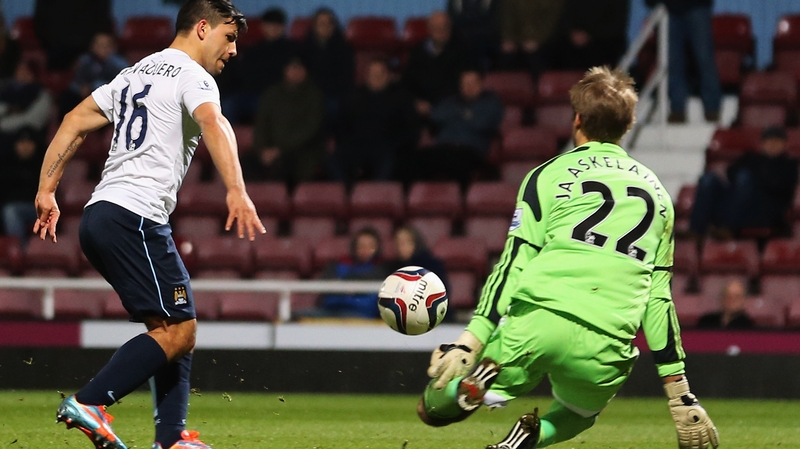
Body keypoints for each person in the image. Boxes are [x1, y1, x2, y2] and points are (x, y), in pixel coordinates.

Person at [416, 67, 719, 449]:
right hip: (608, 339)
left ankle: (472, 387)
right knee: (579, 414)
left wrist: (470, 341)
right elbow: (658, 301)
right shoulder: (659, 196)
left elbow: (514, 263)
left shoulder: (547, 175)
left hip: (541, 321)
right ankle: (529, 439)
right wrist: (680, 392)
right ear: (628, 124)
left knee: (433, 406)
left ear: (577, 119)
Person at [33, 2, 265, 449]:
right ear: (203, 28)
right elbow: (213, 123)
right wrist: (236, 190)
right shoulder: (193, 77)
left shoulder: (135, 73)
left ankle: (171, 437)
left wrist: (47, 190)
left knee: (174, 328)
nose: (233, 50)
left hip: (101, 215)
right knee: (181, 330)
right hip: (135, 217)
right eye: (229, 37)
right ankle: (91, 402)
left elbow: (73, 120)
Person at [690, 127, 798, 238]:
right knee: (708, 180)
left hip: (764, 210)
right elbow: (731, 172)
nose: (772, 145)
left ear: (785, 145)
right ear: (762, 144)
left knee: (744, 178)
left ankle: (729, 228)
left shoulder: (789, 165)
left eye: (777, 141)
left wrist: (753, 178)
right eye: (769, 141)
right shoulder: (751, 157)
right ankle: (696, 231)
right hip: (736, 204)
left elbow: (778, 186)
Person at [411, 68, 503, 189]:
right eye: (465, 83)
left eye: (472, 83)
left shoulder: (491, 102)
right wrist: (465, 115)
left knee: (457, 162)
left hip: (471, 150)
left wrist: (455, 115)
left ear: (481, 84)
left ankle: (462, 200)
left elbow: (482, 123)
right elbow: (436, 116)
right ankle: (422, 201)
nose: (468, 87)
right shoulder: (450, 101)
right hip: (443, 148)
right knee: (411, 160)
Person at [330, 58, 417, 185]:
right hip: (356, 145)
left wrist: (395, 145)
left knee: (390, 163)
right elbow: (341, 125)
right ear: (366, 76)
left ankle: (374, 197)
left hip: (387, 147)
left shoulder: (401, 97)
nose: (376, 77)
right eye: (372, 74)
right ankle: (349, 194)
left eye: (380, 74)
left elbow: (411, 130)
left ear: (388, 76)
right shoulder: (354, 96)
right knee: (333, 161)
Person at [245, 57, 324, 188]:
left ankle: (276, 203)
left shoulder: (314, 96)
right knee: (244, 163)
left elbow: (310, 130)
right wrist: (262, 149)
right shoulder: (271, 95)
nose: (294, 72)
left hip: (300, 152)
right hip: (268, 150)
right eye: (291, 68)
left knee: (285, 166)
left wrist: (280, 150)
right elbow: (261, 125)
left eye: (298, 68)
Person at [646, 0, 722, 123]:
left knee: (704, 59)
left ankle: (712, 108)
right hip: (669, 10)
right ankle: (677, 110)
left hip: (697, 7)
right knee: (673, 63)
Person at [219, 7, 297, 124]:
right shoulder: (253, 50)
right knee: (228, 104)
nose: (273, 29)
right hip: (252, 94)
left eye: (277, 25)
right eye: (269, 25)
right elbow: (244, 76)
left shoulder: (292, 50)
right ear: (263, 26)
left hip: (280, 96)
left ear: (283, 27)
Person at [312, 227, 388, 319]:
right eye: (361, 245)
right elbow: (324, 287)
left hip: (361, 315)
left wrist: (342, 285)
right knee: (296, 316)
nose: (366, 249)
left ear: (377, 247)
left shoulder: (382, 270)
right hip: (330, 312)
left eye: (370, 246)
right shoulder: (338, 265)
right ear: (354, 246)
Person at [299, 7, 354, 133]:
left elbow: (346, 79)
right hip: (308, 93)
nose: (324, 27)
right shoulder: (303, 48)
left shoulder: (344, 49)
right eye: (321, 23)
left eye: (328, 23)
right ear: (314, 26)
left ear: (334, 26)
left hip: (334, 94)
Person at [403, 11, 465, 118]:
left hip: (452, 110)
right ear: (429, 29)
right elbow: (406, 84)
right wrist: (416, 102)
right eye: (437, 27)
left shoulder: (462, 52)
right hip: (421, 110)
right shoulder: (417, 53)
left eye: (444, 27)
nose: (441, 31)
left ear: (450, 29)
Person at [58, 32, 129, 118]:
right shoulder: (84, 60)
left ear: (112, 48)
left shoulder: (119, 64)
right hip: (84, 96)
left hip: (109, 97)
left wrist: (93, 87)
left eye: (106, 45)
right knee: (66, 97)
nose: (102, 48)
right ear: (92, 47)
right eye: (98, 44)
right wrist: (80, 88)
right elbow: (74, 81)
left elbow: (122, 86)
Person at [33, 0, 115, 70]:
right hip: (56, 44)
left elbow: (103, 16)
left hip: (89, 45)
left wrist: (97, 43)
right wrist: (47, 40)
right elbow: (41, 18)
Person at [549, 0, 629, 71]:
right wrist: (572, 33)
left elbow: (616, 27)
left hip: (603, 43)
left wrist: (589, 36)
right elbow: (564, 18)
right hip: (572, 42)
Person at [0, 128, 42, 250]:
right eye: (21, 143)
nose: (24, 146)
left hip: (38, 209)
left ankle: (18, 251)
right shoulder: (7, 164)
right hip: (9, 206)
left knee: (11, 211)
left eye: (29, 143)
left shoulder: (43, 165)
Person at [497, 0, 563, 76]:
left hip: (546, 40)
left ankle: (538, 86)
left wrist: (537, 40)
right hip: (519, 39)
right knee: (506, 57)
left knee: (535, 59)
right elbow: (508, 18)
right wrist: (509, 39)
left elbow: (552, 22)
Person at [0, 59, 52, 155]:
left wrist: (5, 123)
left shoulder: (42, 94)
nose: (22, 73)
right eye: (20, 70)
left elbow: (34, 121)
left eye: (26, 70)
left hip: (31, 137)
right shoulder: (5, 91)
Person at [385, 225, 450, 294]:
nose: (402, 246)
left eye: (407, 241)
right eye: (398, 242)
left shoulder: (432, 265)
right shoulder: (391, 268)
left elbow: (442, 292)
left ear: (416, 243)